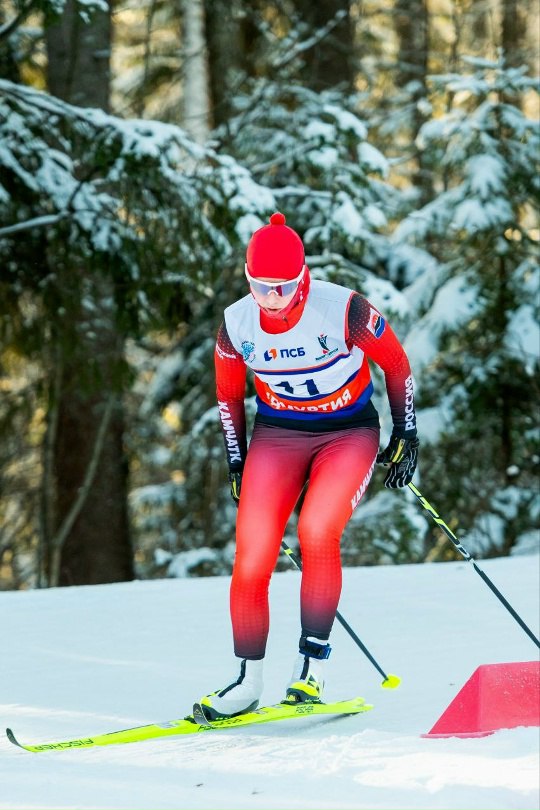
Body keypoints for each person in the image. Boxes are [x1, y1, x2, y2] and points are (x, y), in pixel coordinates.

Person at [199, 212, 418, 719]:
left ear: (302, 277)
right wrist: (237, 461)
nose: (271, 297)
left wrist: (406, 430)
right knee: (252, 554)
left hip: (348, 433)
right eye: (259, 285)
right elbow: (228, 397)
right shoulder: (236, 325)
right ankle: (247, 682)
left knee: (317, 532)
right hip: (279, 435)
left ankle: (311, 671)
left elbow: (397, 363)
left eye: (282, 286)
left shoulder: (345, 310)